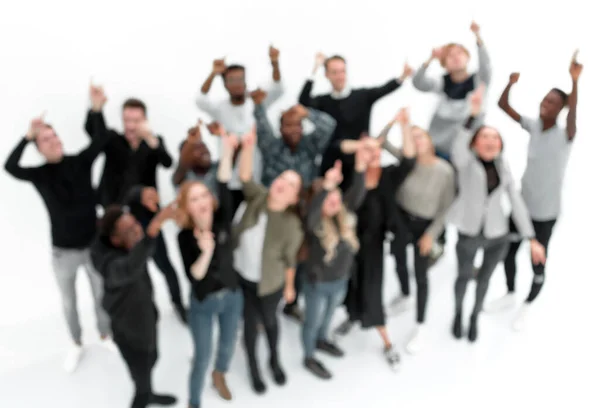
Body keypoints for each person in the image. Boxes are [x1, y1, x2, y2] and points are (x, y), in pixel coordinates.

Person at [4, 87, 114, 373]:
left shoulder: (79, 161)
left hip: (92, 247)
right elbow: (9, 166)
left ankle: (105, 335)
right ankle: (76, 343)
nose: (53, 142)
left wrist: (96, 108)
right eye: (45, 140)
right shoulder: (39, 174)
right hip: (63, 254)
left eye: (55, 137)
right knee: (69, 302)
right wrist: (27, 135)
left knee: (101, 295)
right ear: (38, 148)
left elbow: (101, 140)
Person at [486, 51, 582, 330]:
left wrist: (574, 81)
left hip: (545, 214)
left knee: (538, 261)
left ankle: (528, 304)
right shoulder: (534, 125)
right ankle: (511, 293)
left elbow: (574, 112)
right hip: (522, 207)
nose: (545, 103)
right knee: (508, 251)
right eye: (544, 98)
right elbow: (503, 105)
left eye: (552, 102)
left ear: (561, 108)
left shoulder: (566, 134)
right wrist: (510, 83)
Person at [449, 87, 546, 343]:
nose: (490, 141)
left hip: (496, 235)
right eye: (484, 136)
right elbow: (458, 147)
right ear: (475, 142)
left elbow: (516, 202)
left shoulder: (503, 167)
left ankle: (474, 317)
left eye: (495, 137)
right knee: (463, 277)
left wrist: (531, 238)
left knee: (484, 281)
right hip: (469, 232)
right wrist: (472, 117)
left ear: (500, 144)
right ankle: (458, 314)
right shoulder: (466, 163)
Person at [84, 86, 186, 323]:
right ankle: (143, 309)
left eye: (136, 120)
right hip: (118, 218)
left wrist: (150, 138)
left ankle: (179, 304)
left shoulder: (152, 142)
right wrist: (96, 108)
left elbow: (167, 161)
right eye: (127, 120)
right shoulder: (112, 140)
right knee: (132, 268)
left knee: (164, 264)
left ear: (145, 120)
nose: (130, 125)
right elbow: (93, 131)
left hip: (148, 216)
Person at [331, 121, 416, 369]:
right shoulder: (350, 175)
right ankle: (353, 316)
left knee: (372, 288)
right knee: (351, 284)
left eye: (376, 150)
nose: (373, 153)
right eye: (368, 150)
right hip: (348, 244)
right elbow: (349, 204)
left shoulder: (388, 175)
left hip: (374, 244)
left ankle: (387, 341)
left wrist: (404, 124)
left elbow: (409, 161)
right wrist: (360, 159)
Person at [251, 89, 337, 322]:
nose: (294, 130)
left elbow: (329, 125)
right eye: (288, 126)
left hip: (303, 212)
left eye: (297, 125)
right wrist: (259, 105)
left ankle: (291, 302)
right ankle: (263, 306)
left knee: (299, 258)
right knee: (270, 258)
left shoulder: (310, 146)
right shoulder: (271, 147)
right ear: (280, 129)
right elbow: (260, 123)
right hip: (275, 214)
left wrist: (306, 112)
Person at [377, 109, 456, 354]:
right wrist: (398, 122)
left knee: (421, 273)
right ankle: (404, 294)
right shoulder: (405, 159)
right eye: (412, 138)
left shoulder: (444, 170)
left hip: (425, 226)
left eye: (421, 136)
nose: (417, 141)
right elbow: (380, 140)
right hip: (400, 221)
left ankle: (420, 325)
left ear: (430, 141)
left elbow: (446, 208)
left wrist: (431, 234)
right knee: (399, 260)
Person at [91, 187, 177, 408]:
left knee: (152, 358)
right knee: (142, 369)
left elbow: (129, 195)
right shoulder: (110, 264)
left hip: (148, 316)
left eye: (136, 223)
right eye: (130, 229)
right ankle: (143, 397)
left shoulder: (132, 244)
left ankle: (148, 391)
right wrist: (155, 227)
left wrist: (142, 195)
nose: (138, 229)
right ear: (115, 239)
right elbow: (129, 268)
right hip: (129, 330)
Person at [233, 126, 304, 394]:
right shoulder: (258, 197)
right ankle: (254, 368)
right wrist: (248, 146)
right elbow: (245, 175)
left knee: (271, 323)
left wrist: (289, 287)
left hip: (270, 284)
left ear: (293, 198)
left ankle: (274, 360)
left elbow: (289, 260)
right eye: (281, 179)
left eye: (290, 185)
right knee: (249, 328)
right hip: (244, 278)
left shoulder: (291, 225)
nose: (281, 184)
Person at [412, 21, 491, 261]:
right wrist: (429, 59)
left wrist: (478, 37)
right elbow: (418, 83)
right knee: (432, 193)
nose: (455, 58)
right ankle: (431, 237)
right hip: (436, 149)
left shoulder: (478, 81)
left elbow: (487, 68)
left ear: (467, 57)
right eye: (450, 56)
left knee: (457, 196)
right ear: (445, 63)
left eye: (460, 54)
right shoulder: (442, 83)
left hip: (463, 153)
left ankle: (454, 241)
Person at [176, 132, 243, 408]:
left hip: (232, 297)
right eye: (194, 198)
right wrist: (205, 252)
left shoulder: (223, 216)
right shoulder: (184, 236)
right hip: (203, 303)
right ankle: (194, 400)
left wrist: (227, 151)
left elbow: (224, 180)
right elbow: (195, 275)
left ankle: (220, 376)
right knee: (202, 355)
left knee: (227, 346)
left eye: (204, 194)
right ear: (186, 207)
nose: (201, 201)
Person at [299, 52, 413, 191]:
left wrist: (402, 76)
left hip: (359, 163)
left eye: (342, 71)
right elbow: (303, 102)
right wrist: (315, 67)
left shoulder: (362, 96)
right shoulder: (323, 101)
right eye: (334, 72)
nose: (340, 76)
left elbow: (384, 89)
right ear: (327, 75)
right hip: (332, 162)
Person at [301, 149, 369, 379]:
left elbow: (358, 192)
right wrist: (328, 185)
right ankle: (309, 355)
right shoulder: (314, 223)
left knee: (329, 315)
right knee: (312, 320)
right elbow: (312, 215)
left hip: (340, 281)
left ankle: (322, 340)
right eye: (327, 199)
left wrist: (360, 166)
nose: (333, 202)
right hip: (318, 284)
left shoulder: (345, 217)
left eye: (336, 198)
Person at [195, 46, 284, 212]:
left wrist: (275, 63)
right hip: (229, 179)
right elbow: (200, 99)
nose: (237, 84)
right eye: (232, 80)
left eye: (240, 79)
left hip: (254, 178)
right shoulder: (220, 108)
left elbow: (278, 89)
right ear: (225, 84)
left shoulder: (256, 104)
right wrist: (213, 73)